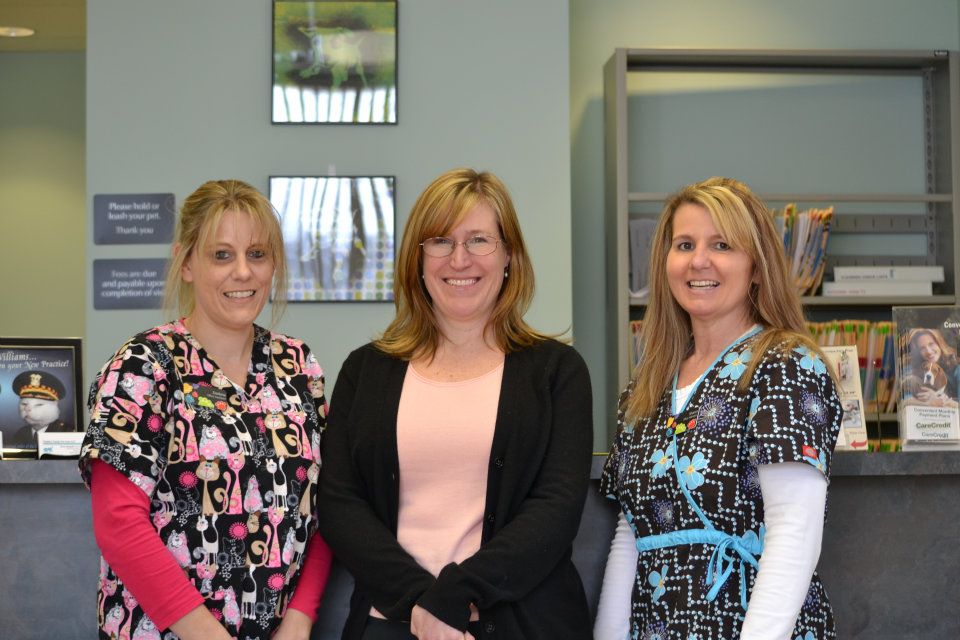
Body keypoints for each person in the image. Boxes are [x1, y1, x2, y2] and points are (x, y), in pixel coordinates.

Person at [317, 168, 594, 640]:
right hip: (391, 624)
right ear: (418, 259)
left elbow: (556, 509)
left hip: (522, 625)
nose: (459, 259)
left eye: (479, 240)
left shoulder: (557, 372)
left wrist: (455, 596)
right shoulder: (365, 371)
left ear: (509, 255)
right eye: (441, 241)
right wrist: (422, 602)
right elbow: (340, 503)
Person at [79, 179, 333, 640]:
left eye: (257, 254)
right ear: (186, 262)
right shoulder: (142, 366)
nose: (243, 272)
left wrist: (301, 618)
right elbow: (118, 523)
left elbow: (326, 507)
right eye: (221, 255)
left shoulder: (299, 366)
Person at [594, 177, 841, 640]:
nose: (699, 261)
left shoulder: (786, 365)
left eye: (722, 245)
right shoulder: (646, 387)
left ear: (756, 267)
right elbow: (631, 536)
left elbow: (795, 533)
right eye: (685, 244)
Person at [10, 370, 72, 449]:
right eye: (24, 404)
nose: (27, 409)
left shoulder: (65, 432)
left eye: (38, 405)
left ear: (55, 405)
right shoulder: (20, 434)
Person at [901, 327, 960, 407]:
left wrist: (937, 397)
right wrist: (929, 403)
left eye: (931, 344)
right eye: (922, 348)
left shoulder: (957, 370)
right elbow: (904, 402)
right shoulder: (913, 370)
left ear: (939, 343)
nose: (928, 351)